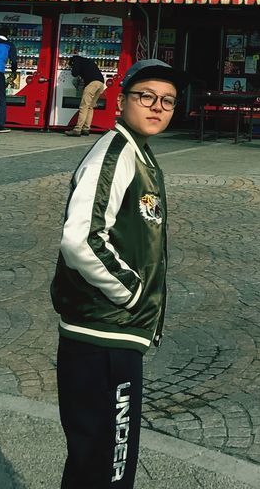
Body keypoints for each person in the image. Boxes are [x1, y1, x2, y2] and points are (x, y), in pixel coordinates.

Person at [51, 59, 183, 489]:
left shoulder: (136, 150)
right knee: (108, 465)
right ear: (122, 101)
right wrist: (131, 293)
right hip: (103, 336)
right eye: (146, 96)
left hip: (110, 334)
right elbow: (80, 239)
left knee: (98, 458)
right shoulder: (115, 153)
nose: (157, 107)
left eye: (167, 101)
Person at [67, 53, 106, 136]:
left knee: (84, 106)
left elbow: (74, 73)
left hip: (92, 84)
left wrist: (72, 68)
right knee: (90, 107)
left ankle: (77, 129)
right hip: (101, 84)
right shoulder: (87, 61)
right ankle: (86, 128)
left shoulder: (76, 60)